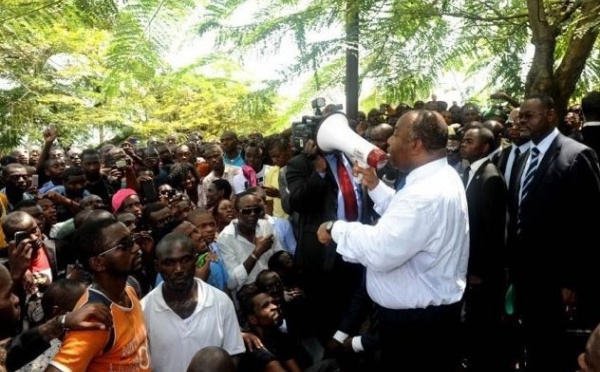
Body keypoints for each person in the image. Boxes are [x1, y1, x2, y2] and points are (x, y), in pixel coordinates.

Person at [316, 109, 469, 370]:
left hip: (415, 327)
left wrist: (335, 228)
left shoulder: (424, 193)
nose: (388, 142)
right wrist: (375, 186)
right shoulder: (440, 177)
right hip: (426, 321)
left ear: (416, 144)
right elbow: (407, 221)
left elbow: (380, 250)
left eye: (396, 135)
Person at [506, 94, 600, 372]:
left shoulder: (576, 155)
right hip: (524, 277)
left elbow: (590, 225)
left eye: (529, 115)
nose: (522, 121)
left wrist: (574, 281)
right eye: (520, 116)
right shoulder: (523, 158)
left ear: (551, 115)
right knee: (532, 347)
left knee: (553, 351)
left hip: (557, 281)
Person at [45, 218, 150, 372]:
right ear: (98, 263)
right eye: (124, 245)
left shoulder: (129, 290)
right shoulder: (95, 319)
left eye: (133, 239)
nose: (135, 248)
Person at [141, 233, 244, 372]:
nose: (178, 269)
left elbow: (233, 353)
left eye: (185, 260)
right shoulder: (144, 309)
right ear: (157, 266)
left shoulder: (221, 301)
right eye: (169, 263)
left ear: (195, 260)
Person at [459, 125, 508, 371]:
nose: (462, 144)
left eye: (469, 141)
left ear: (485, 147)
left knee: (482, 325)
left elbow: (492, 233)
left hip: (482, 273)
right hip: (467, 267)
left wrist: (479, 271)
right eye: (463, 139)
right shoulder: (468, 173)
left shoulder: (491, 178)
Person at [216, 191, 283, 293]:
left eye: (256, 210)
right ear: (236, 212)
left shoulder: (265, 226)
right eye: (247, 211)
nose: (253, 214)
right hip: (250, 293)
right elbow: (232, 282)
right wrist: (256, 253)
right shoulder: (225, 238)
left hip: (273, 287)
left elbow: (279, 257)